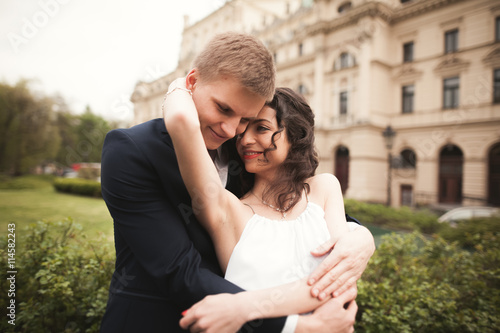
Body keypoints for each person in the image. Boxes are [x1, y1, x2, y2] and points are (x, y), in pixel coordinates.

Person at [100, 32, 374, 333]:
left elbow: (306, 220)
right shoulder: (131, 149)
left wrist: (361, 237)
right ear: (192, 81)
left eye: (247, 119)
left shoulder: (242, 155)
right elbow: (180, 272)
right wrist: (297, 327)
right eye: (223, 108)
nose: (234, 131)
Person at [163, 84, 374, 333]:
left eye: (261, 128)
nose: (245, 140)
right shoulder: (229, 210)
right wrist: (183, 83)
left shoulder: (325, 188)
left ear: (295, 136)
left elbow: (339, 282)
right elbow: (181, 120)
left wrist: (240, 306)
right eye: (243, 129)